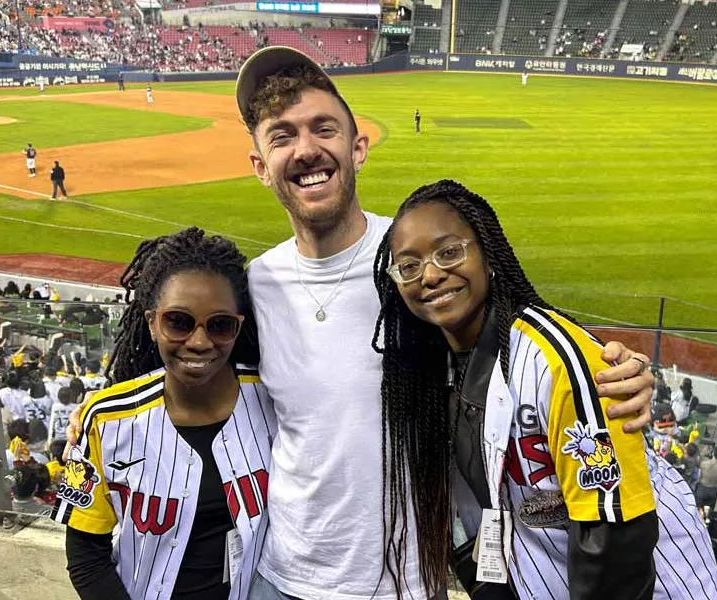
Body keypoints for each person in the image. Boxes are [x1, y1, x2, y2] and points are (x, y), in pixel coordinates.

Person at [232, 46, 655, 600]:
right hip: (281, 575)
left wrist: (619, 373)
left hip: (405, 582)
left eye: (323, 128)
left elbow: (529, 346)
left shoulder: (422, 265)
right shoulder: (254, 285)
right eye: (282, 136)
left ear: (359, 147)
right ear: (260, 166)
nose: (306, 149)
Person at [372, 180, 717, 600]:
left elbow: (615, 541)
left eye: (449, 253)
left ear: (487, 254)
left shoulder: (555, 361)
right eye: (409, 266)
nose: (430, 275)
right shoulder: (431, 372)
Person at [56, 227, 274, 599]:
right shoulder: (104, 420)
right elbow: (86, 558)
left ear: (239, 327)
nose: (200, 342)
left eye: (220, 325)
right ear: (151, 322)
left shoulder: (275, 399)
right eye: (178, 321)